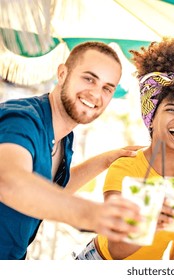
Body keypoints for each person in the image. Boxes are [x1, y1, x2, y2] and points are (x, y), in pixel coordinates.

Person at [0, 41, 142, 260]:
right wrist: (94, 215)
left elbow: (50, 190)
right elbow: (9, 181)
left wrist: (107, 160)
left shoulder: (65, 137)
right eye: (89, 79)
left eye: (107, 88)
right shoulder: (22, 119)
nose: (96, 94)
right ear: (62, 73)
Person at [74, 37, 174, 260]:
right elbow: (117, 250)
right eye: (172, 109)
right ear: (152, 118)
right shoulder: (127, 167)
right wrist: (151, 220)